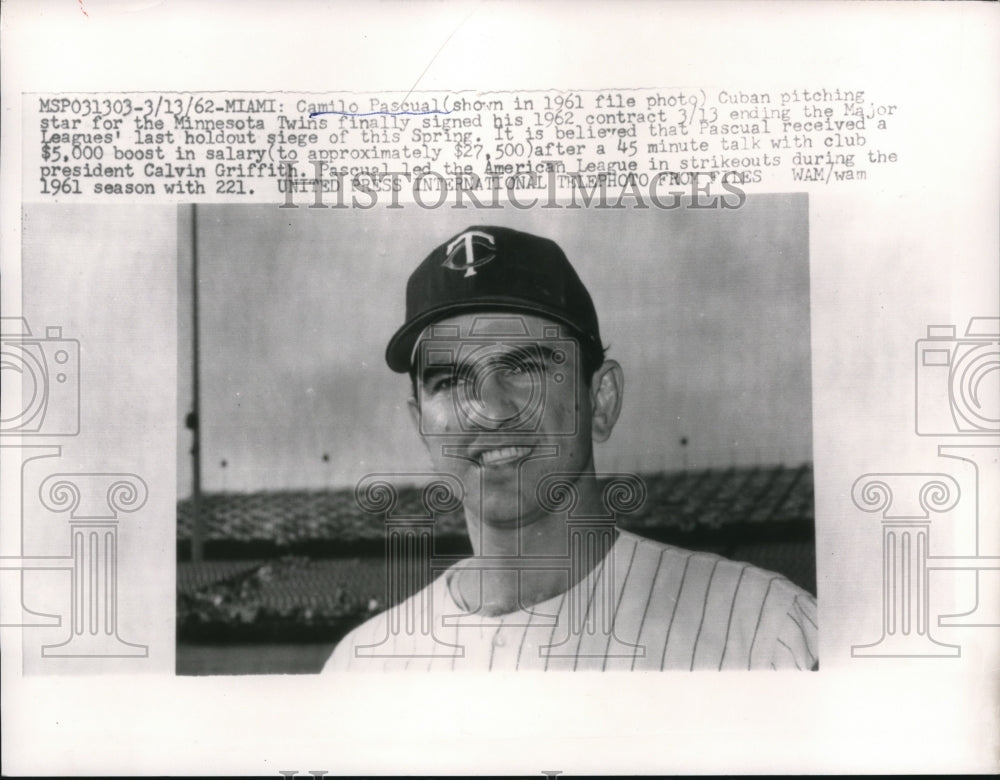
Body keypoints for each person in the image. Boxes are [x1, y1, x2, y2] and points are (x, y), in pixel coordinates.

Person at [323, 225, 817, 671]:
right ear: (421, 424)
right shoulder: (359, 671)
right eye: (450, 380)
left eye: (525, 368)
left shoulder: (767, 634)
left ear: (600, 401)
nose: (490, 409)